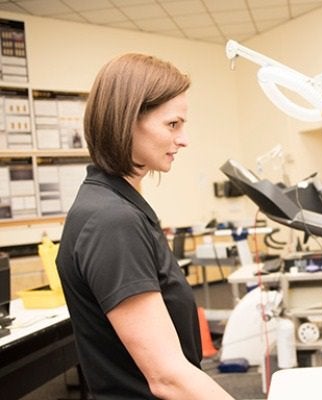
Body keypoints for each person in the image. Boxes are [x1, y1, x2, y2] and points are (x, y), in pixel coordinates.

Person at [56, 53, 234, 399]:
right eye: (172, 124)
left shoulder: (112, 204)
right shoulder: (112, 221)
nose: (184, 139)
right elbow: (167, 376)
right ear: (127, 122)